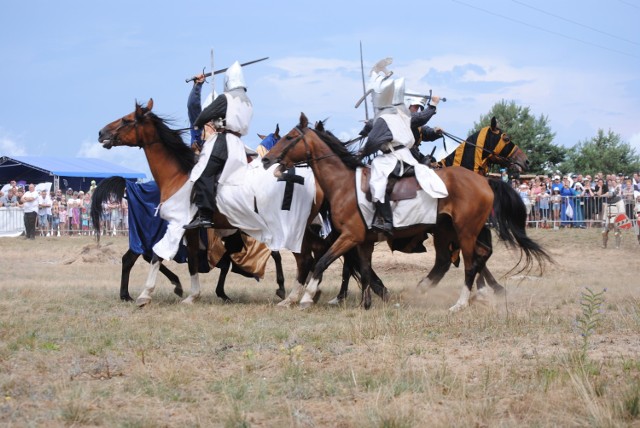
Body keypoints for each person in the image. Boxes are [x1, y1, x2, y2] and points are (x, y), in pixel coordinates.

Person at [360, 76, 447, 235]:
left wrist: (433, 107)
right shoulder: (393, 115)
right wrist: (368, 127)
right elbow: (374, 129)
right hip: (392, 156)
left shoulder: (403, 116)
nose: (415, 110)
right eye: (414, 107)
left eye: (416, 108)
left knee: (378, 182)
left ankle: (387, 221)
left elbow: (422, 122)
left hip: (400, 156)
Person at [185, 61, 253, 230]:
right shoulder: (248, 102)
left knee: (202, 173)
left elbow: (204, 114)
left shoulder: (226, 98)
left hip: (223, 143)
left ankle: (205, 216)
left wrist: (198, 123)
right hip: (239, 146)